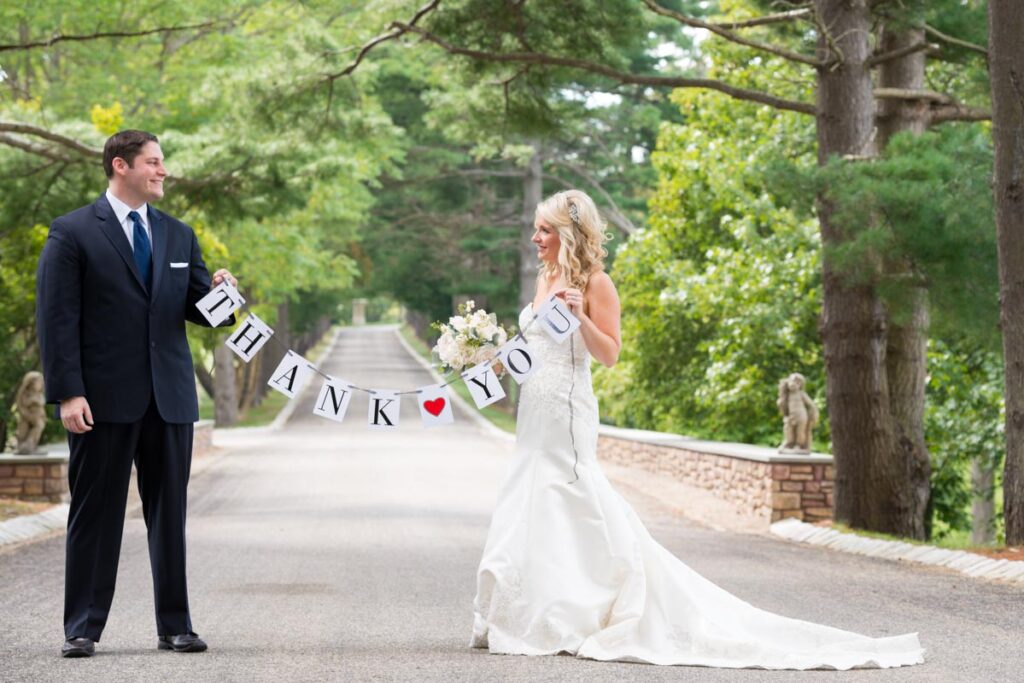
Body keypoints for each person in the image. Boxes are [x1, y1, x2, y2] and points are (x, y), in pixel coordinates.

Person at [469, 189, 925, 670]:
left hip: (567, 412)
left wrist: (581, 316)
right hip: (534, 410)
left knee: (570, 497)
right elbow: (534, 347)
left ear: (568, 234)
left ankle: (579, 610)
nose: (535, 237)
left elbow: (609, 354)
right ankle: (530, 611)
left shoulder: (597, 283)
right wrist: (488, 362)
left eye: (544, 230)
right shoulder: (544, 277)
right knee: (531, 497)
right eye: (536, 229)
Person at [36, 130, 237, 658]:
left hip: (170, 400)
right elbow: (57, 320)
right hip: (101, 402)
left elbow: (201, 312)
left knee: (169, 518)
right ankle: (82, 628)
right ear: (120, 166)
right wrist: (68, 393)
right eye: (153, 162)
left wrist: (225, 295)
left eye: (162, 162)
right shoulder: (72, 232)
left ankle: (175, 626)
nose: (162, 171)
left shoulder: (178, 234)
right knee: (95, 515)